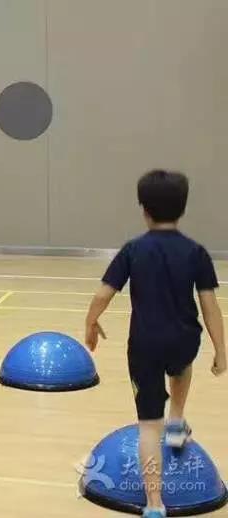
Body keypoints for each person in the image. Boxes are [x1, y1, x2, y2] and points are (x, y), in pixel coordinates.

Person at [84, 169, 227, 518]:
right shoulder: (196, 252)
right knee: (181, 366)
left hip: (145, 346)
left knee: (149, 426)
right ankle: (177, 419)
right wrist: (221, 350)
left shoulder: (133, 250)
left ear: (144, 210)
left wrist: (91, 322)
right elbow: (210, 306)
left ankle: (153, 504)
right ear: (182, 209)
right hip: (184, 340)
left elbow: (104, 293)